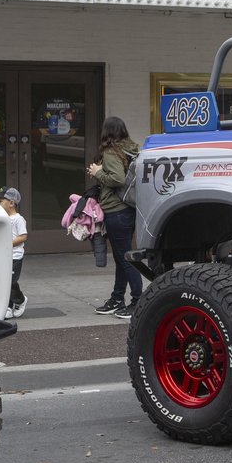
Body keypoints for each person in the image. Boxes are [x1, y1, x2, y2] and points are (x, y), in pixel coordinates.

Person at [87, 116, 142, 318]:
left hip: (116, 210)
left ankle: (138, 301)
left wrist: (97, 173)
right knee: (122, 257)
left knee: (125, 259)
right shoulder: (131, 149)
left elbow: (117, 179)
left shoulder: (111, 152)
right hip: (128, 209)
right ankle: (117, 298)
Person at [0, 186, 28, 319]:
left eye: (0, 201)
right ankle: (7, 306)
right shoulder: (2, 219)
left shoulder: (18, 219)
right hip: (3, 255)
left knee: (10, 282)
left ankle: (20, 300)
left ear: (11, 203)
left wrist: (7, 244)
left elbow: (23, 236)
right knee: (3, 281)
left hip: (15, 256)